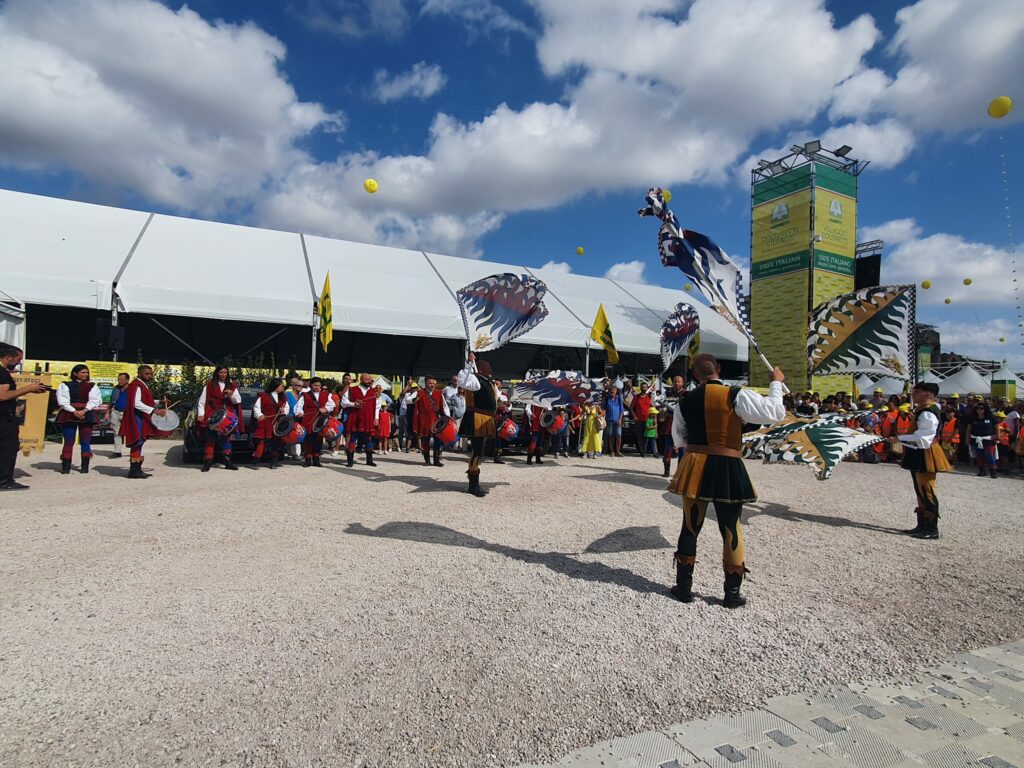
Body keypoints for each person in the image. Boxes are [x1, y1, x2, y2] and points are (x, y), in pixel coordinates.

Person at [668, 353, 785, 608]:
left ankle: (684, 589)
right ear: (719, 368)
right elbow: (775, 411)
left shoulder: (684, 401)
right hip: (728, 464)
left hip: (696, 464)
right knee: (731, 528)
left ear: (695, 375)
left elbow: (679, 439)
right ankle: (731, 595)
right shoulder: (736, 394)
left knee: (690, 526)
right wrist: (776, 382)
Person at [891, 382, 952, 540]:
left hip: (926, 453)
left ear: (928, 394)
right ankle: (922, 524)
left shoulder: (927, 412)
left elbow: (923, 439)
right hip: (919, 452)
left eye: (917, 391)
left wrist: (899, 438)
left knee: (927, 490)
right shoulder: (922, 410)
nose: (914, 394)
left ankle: (932, 528)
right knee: (920, 489)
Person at [0, 344, 49, 491]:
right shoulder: (2, 373)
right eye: (18, 360)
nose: (18, 363)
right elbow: (2, 395)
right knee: (8, 447)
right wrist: (29, 388)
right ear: (8, 357)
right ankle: (4, 481)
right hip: (3, 418)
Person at [457, 353, 500, 497]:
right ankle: (473, 485)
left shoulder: (489, 382)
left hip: (485, 419)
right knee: (476, 452)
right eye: (487, 368)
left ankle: (474, 483)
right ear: (480, 369)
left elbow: (496, 397)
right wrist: (469, 363)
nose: (490, 370)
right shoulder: (475, 380)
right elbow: (462, 380)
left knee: (480, 452)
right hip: (477, 418)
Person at [119, 365, 168, 479]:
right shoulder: (137, 385)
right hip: (137, 418)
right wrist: (155, 411)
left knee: (139, 442)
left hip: (140, 417)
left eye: (151, 374)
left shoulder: (141, 385)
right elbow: (136, 403)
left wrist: (159, 401)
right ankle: (134, 471)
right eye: (147, 374)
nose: (150, 376)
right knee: (137, 441)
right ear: (140, 373)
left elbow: (145, 401)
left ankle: (136, 469)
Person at [55, 364, 104, 474]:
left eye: (87, 373)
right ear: (75, 373)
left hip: (86, 413)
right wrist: (74, 411)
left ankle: (85, 467)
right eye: (83, 372)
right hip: (69, 413)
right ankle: (66, 467)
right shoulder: (65, 385)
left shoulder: (92, 386)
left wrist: (84, 410)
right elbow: (62, 401)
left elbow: (95, 400)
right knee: (69, 441)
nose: (85, 375)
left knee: (85, 441)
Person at [196, 366, 243, 472]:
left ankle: (228, 462)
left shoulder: (232, 386)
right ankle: (207, 462)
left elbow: (238, 400)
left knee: (226, 439)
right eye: (221, 372)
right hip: (212, 414)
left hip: (226, 415)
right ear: (217, 373)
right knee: (210, 439)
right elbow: (202, 400)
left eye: (225, 372)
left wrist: (232, 394)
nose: (223, 374)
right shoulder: (209, 385)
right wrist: (201, 413)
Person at [342, 373, 381, 467]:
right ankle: (350, 461)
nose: (370, 381)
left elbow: (377, 406)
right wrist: (353, 404)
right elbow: (343, 402)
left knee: (368, 438)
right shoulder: (352, 390)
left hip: (368, 418)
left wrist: (376, 418)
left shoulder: (373, 392)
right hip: (355, 417)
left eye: (370, 380)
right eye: (367, 380)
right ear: (361, 380)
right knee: (353, 438)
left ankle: (369, 460)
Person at [412, 376, 450, 467]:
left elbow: (444, 406)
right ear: (425, 383)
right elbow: (408, 400)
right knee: (426, 441)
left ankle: (436, 460)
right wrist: (414, 400)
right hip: (424, 420)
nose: (432, 385)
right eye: (430, 383)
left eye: (434, 383)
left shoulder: (439, 393)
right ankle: (427, 460)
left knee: (438, 440)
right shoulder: (420, 393)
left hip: (436, 420)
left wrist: (448, 417)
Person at [251, 378, 289, 468]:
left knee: (276, 443)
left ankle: (274, 462)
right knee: (261, 442)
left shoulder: (283, 397)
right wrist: (259, 415)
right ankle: (256, 461)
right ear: (276, 386)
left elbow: (287, 407)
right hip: (265, 421)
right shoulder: (263, 395)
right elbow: (256, 407)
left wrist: (283, 410)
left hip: (277, 422)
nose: (283, 387)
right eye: (281, 386)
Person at [298, 377, 334, 467]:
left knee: (319, 438)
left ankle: (316, 459)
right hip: (308, 419)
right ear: (311, 385)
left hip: (320, 419)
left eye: (319, 385)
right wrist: (300, 412)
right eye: (315, 385)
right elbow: (299, 406)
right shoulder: (305, 395)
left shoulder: (326, 394)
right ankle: (307, 459)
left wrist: (325, 409)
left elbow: (331, 405)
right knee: (308, 439)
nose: (317, 387)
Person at [966, 403, 999, 479]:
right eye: (977, 408)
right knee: (979, 455)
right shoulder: (973, 418)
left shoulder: (991, 417)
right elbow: (968, 429)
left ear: (985, 409)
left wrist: (997, 438)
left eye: (981, 408)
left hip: (988, 440)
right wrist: (967, 439)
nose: (979, 410)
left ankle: (993, 471)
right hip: (976, 439)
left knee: (989, 455)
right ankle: (982, 470)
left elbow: (997, 428)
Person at [106, 372, 131, 458]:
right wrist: (107, 412)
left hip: (127, 413)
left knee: (130, 432)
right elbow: (111, 400)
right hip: (116, 412)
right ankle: (117, 452)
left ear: (127, 380)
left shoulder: (132, 389)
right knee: (116, 433)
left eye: (121, 379)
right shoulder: (116, 388)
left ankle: (133, 451)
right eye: (118, 379)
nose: (119, 381)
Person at [631, 383, 653, 457]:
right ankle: (642, 451)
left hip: (648, 420)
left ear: (647, 388)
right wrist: (634, 416)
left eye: (645, 387)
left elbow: (652, 406)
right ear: (640, 388)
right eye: (642, 387)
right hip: (639, 420)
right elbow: (631, 408)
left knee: (647, 436)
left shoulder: (649, 396)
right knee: (640, 436)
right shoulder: (637, 397)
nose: (644, 388)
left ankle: (646, 450)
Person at [603, 385, 625, 457]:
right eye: (611, 391)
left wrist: (620, 420)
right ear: (609, 391)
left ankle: (618, 451)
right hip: (609, 420)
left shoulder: (619, 399)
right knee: (610, 436)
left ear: (616, 392)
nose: (612, 392)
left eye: (614, 391)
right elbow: (604, 409)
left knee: (619, 435)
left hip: (617, 420)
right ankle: (612, 451)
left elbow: (621, 410)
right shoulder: (607, 399)